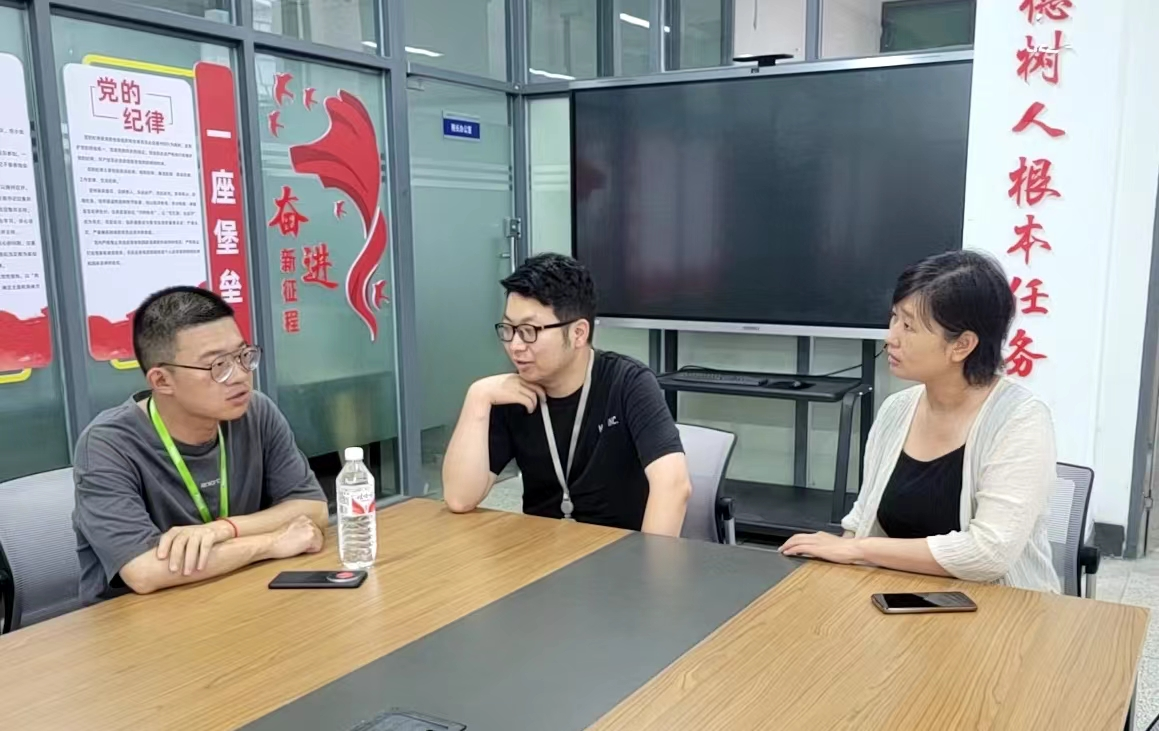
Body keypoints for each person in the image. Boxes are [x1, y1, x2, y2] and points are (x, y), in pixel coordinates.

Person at [781, 250, 1060, 593]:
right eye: (894, 318)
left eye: (909, 326)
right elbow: (863, 520)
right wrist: (841, 553)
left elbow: (989, 554)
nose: (891, 337)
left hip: (1001, 606)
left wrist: (858, 549)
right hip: (898, 597)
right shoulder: (897, 409)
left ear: (962, 345)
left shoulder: (1020, 419)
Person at [73, 287, 329, 605]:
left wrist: (224, 530)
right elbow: (144, 570)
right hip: (141, 619)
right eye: (217, 366)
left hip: (237, 596)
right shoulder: (107, 444)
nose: (240, 376)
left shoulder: (256, 411)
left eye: (243, 356)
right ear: (162, 381)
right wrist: (271, 542)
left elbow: (312, 508)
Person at [442, 253, 692, 536]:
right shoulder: (513, 394)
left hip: (618, 552)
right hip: (541, 551)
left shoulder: (627, 383)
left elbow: (674, 486)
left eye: (529, 330)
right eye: (509, 329)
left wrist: (646, 563)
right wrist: (477, 397)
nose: (515, 345)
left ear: (578, 333)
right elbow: (459, 499)